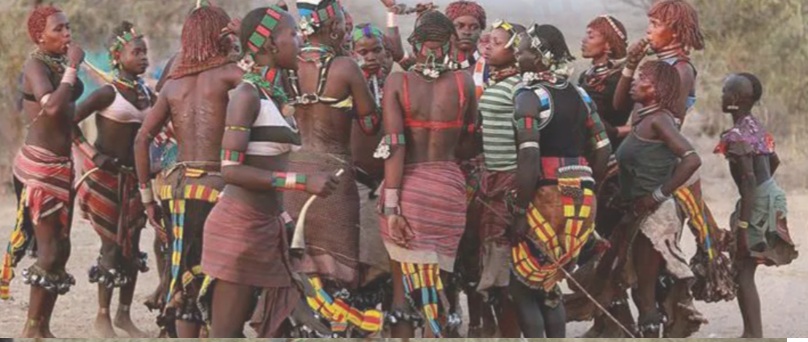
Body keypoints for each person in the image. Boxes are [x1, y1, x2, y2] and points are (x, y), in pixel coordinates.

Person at [196, 6, 341, 337]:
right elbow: (231, 170)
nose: (300, 39)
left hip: (268, 227)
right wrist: (302, 182)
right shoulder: (246, 95)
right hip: (239, 228)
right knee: (226, 334)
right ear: (269, 46)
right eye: (292, 34)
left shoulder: (274, 95)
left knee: (280, 329)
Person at [618, 1, 731, 336]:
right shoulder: (660, 64)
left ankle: (662, 318)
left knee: (654, 255)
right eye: (649, 22)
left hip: (661, 167)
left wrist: (621, 137)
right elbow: (631, 112)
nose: (649, 29)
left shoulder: (680, 70)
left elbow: (665, 125)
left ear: (676, 30)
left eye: (655, 23)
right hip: (646, 155)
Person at [133, 3, 243, 337]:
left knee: (185, 274)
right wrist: (245, 40)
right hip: (216, 188)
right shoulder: (232, 75)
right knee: (221, 273)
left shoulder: (172, 86)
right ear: (221, 35)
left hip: (175, 189)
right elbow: (271, 88)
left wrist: (147, 197)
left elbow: (141, 139)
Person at [282, 0, 382, 335]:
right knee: (339, 268)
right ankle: (338, 329)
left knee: (302, 262)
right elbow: (370, 123)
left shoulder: (289, 63)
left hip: (295, 173)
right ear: (334, 27)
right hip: (335, 176)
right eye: (340, 22)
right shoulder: (345, 67)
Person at [377, 10, 477, 338]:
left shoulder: (397, 82)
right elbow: (468, 143)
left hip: (408, 191)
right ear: (449, 43)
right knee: (438, 285)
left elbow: (395, 146)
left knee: (402, 292)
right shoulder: (464, 83)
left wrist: (392, 208)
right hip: (448, 192)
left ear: (415, 43)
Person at [508, 24, 610, 338]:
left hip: (545, 196)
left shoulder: (529, 96)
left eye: (523, 48)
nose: (517, 53)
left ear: (540, 57)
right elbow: (603, 149)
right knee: (551, 281)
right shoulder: (579, 94)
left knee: (523, 285)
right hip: (582, 194)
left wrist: (520, 209)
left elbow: (528, 158)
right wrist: (584, 181)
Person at [0, 5, 84, 337]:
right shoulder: (35, 65)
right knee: (48, 250)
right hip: (39, 169)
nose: (67, 34)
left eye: (67, 28)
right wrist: (74, 66)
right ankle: (31, 329)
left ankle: (42, 327)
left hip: (62, 167)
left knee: (61, 248)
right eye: (59, 29)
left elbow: (69, 117)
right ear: (40, 36)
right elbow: (51, 107)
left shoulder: (59, 64)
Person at [72, 21, 153, 338]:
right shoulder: (107, 93)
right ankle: (102, 316)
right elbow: (69, 123)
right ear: (117, 57)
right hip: (104, 179)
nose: (144, 57)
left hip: (134, 182)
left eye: (145, 52)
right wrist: (93, 155)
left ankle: (123, 315)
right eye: (137, 52)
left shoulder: (147, 93)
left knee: (131, 249)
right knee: (111, 248)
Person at [614, 60, 702, 337]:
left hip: (654, 217)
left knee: (646, 291)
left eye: (642, 80)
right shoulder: (644, 119)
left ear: (657, 89)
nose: (634, 84)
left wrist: (656, 195)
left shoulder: (660, 120)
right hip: (638, 211)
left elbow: (691, 159)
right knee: (641, 285)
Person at [568, 14, 635, 338]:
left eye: (591, 34)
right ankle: (605, 322)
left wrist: (617, 130)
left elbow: (615, 117)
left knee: (606, 247)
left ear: (607, 43)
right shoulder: (585, 77)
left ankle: (621, 324)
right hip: (589, 164)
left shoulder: (619, 79)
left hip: (611, 169)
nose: (584, 39)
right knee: (594, 247)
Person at [715, 73, 797, 338]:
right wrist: (765, 191)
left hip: (756, 198)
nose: (722, 95)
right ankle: (752, 332)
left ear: (735, 99)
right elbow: (774, 162)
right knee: (744, 267)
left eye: (725, 91)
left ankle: (753, 334)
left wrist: (742, 226)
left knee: (743, 269)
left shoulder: (736, 136)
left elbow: (749, 183)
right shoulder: (755, 127)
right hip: (770, 193)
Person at [475, 19, 524, 338]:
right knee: (493, 258)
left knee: (507, 262)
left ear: (516, 48)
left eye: (497, 41)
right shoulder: (495, 82)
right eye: (488, 40)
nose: (488, 45)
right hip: (490, 178)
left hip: (509, 179)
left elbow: (527, 142)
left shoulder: (521, 87)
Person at [349, 23, 393, 288]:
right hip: (358, 179)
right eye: (363, 52)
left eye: (377, 50)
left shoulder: (394, 85)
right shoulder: (346, 88)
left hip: (390, 181)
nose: (371, 57)